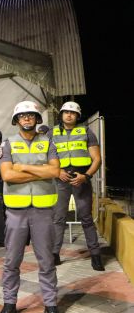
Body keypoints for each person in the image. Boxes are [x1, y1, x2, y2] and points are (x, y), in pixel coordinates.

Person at [0, 101, 65, 313]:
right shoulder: (8, 144)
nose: (27, 118)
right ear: (17, 120)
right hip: (16, 211)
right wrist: (41, 171)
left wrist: (23, 168)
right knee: (12, 261)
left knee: (46, 261)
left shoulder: (48, 142)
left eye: (31, 115)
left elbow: (55, 171)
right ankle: (9, 304)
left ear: (37, 119)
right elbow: (7, 175)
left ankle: (51, 305)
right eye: (22, 115)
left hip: (43, 210)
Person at [49, 101, 103, 270]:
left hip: (81, 179)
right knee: (58, 218)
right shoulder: (51, 133)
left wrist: (86, 176)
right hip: (60, 179)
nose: (69, 115)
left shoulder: (86, 131)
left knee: (86, 218)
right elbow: (45, 157)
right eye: (66, 112)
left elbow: (97, 159)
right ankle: (54, 254)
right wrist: (58, 171)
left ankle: (95, 255)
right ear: (61, 114)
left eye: (73, 113)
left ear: (77, 116)